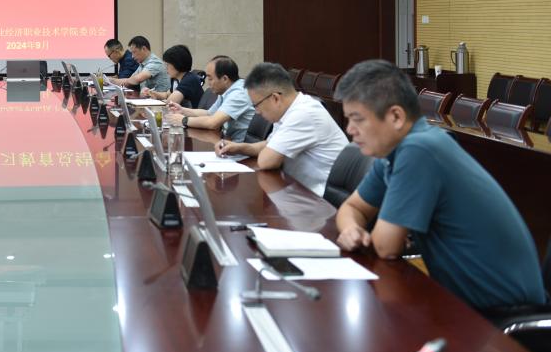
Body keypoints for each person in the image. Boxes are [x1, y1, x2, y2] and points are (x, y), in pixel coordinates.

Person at [334, 60, 546, 314]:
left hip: (502, 313)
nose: (350, 129)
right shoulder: (396, 150)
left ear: (396, 117)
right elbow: (352, 208)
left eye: (357, 119)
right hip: (464, 303)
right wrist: (351, 229)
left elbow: (385, 247)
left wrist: (371, 231)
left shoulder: (420, 150)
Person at [216, 62, 346, 196]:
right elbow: (271, 145)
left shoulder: (303, 113)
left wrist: (260, 150)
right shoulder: (290, 110)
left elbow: (266, 161)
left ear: (275, 98)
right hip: (299, 191)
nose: (257, 112)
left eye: (256, 105)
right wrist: (239, 148)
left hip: (322, 200)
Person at [166, 56, 254, 142]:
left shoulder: (238, 94)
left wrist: (183, 120)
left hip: (240, 147)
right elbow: (209, 113)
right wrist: (182, 110)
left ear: (225, 79)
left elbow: (213, 123)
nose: (208, 83)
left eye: (210, 79)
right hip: (227, 142)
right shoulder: (226, 90)